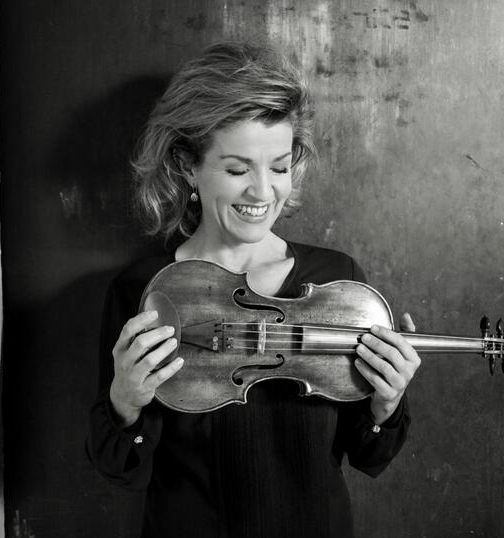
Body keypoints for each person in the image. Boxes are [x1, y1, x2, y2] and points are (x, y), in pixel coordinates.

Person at [87, 42, 421, 538]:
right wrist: (124, 401)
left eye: (279, 167)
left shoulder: (337, 280)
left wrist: (386, 402)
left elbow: (368, 453)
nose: (263, 193)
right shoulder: (145, 290)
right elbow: (120, 469)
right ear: (187, 167)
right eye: (238, 169)